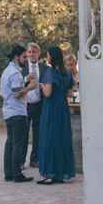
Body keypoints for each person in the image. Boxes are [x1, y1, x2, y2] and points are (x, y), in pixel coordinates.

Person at [37, 46, 76, 184]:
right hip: (62, 107)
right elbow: (70, 93)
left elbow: (47, 93)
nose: (46, 58)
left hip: (51, 107)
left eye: (47, 55)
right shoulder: (67, 73)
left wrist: (42, 86)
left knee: (48, 137)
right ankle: (60, 172)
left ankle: (49, 173)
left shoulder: (50, 73)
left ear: (51, 57)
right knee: (62, 137)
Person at [0, 44, 37, 183]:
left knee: (10, 142)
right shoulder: (15, 73)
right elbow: (16, 93)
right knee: (18, 144)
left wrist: (26, 79)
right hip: (17, 112)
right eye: (24, 57)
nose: (26, 60)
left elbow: (13, 86)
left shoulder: (7, 71)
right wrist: (30, 87)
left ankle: (8, 173)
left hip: (8, 111)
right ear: (16, 57)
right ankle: (17, 174)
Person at [22, 43, 48, 169]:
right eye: (30, 52)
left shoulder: (45, 68)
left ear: (39, 53)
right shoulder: (21, 68)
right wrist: (26, 79)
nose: (32, 54)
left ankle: (34, 159)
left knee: (38, 134)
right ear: (27, 53)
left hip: (39, 104)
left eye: (34, 52)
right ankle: (21, 160)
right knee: (23, 134)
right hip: (24, 105)